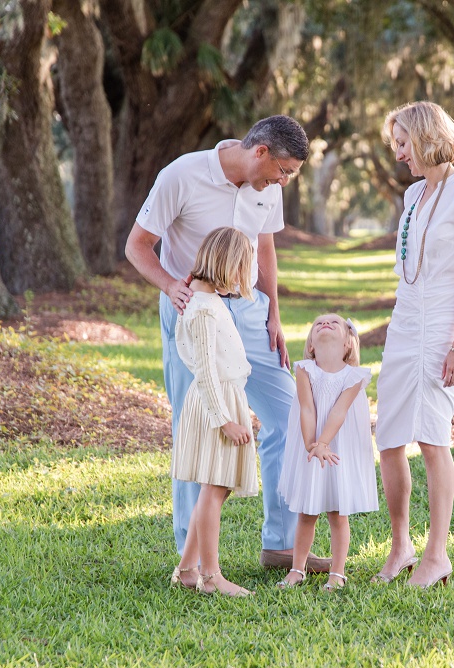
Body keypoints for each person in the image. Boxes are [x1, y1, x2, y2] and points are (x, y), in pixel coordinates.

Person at [125, 115, 331, 582]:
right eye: (284, 171)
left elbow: (265, 246)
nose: (284, 181)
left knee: (293, 417)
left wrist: (274, 313)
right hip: (193, 310)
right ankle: (191, 562)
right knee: (193, 428)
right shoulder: (182, 174)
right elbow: (137, 246)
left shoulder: (267, 184)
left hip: (249, 309)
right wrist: (171, 288)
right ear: (261, 153)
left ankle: (280, 543)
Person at [373, 101, 454, 588]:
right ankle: (401, 545)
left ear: (425, 137)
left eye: (402, 143)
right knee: (388, 438)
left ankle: (437, 555)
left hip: (444, 320)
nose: (398, 153)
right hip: (405, 319)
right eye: (396, 144)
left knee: (432, 436)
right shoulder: (411, 196)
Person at [169, 227, 257, 597]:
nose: (244, 278)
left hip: (222, 397)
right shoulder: (203, 309)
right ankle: (211, 576)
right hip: (214, 403)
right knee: (214, 489)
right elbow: (205, 368)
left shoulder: (203, 302)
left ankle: (188, 569)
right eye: (242, 269)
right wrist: (225, 420)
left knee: (214, 489)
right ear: (228, 265)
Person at [276, 314, 378, 591]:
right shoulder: (304, 369)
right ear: (311, 345)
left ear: (347, 344)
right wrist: (311, 445)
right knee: (306, 512)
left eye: (334, 322)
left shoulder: (354, 376)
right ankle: (297, 569)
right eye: (318, 322)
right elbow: (307, 408)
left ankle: (337, 572)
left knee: (336, 511)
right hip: (311, 446)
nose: (325, 323)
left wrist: (323, 444)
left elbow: (339, 412)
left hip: (336, 447)